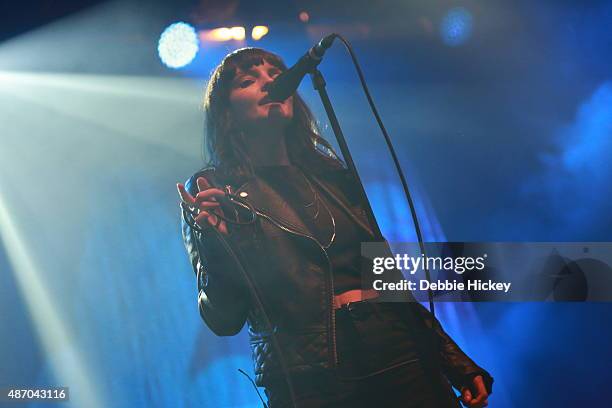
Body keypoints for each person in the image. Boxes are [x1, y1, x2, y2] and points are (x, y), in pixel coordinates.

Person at [177, 47, 493, 407]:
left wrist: (453, 360)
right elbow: (223, 318)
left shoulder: (332, 175)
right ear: (227, 112)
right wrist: (217, 248)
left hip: (398, 349)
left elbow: (388, 282)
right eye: (249, 81)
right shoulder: (213, 190)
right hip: (312, 374)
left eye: (274, 74)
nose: (270, 82)